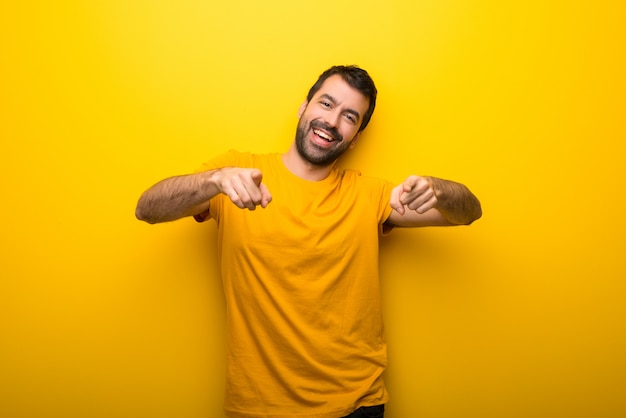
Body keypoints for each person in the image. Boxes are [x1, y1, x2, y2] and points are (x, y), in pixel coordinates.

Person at [136, 65, 482, 418]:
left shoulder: (368, 194)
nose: (332, 121)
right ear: (304, 107)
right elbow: (148, 209)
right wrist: (214, 180)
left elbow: (468, 213)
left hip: (355, 404)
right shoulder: (236, 173)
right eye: (326, 104)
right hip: (259, 407)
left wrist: (439, 190)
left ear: (356, 136)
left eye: (349, 116)